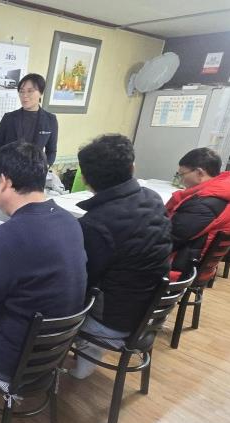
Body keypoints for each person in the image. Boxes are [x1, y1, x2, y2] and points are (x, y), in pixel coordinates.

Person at [0, 142, 86, 384]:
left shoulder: (8, 236)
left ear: (4, 182)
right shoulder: (70, 222)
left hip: (12, 362)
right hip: (54, 353)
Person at [69, 134, 172, 379]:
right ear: (132, 168)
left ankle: (80, 364)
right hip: (151, 312)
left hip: (114, 323)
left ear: (85, 179)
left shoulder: (95, 223)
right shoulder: (153, 199)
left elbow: (82, 282)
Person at [165, 147, 230, 279]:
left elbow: (168, 239)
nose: (181, 180)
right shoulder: (223, 192)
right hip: (194, 265)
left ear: (200, 172)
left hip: (178, 269)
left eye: (182, 174)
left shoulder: (204, 204)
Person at [0, 73, 58, 166]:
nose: (24, 95)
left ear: (41, 93)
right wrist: (5, 166)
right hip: (10, 170)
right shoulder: (9, 118)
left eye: (30, 91)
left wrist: (44, 168)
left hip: (35, 171)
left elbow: (51, 151)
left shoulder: (50, 120)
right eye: (21, 91)